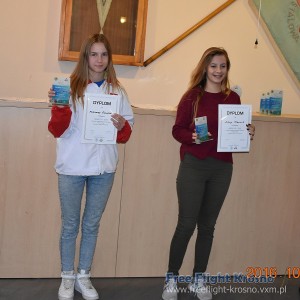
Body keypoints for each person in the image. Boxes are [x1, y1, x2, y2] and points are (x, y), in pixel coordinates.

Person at [162, 47, 255, 300]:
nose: (218, 71)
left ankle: (198, 278)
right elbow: (177, 130)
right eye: (213, 65)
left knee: (207, 227)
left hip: (222, 167)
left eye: (223, 66)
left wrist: (247, 132)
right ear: (205, 67)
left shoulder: (233, 99)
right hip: (194, 164)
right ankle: (171, 277)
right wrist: (190, 136)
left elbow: (237, 130)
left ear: (227, 69)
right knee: (186, 224)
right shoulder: (192, 96)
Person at [48, 33, 134, 300]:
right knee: (70, 224)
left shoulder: (117, 91)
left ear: (109, 58)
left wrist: (121, 125)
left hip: (103, 169)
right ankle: (66, 277)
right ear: (85, 57)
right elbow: (56, 130)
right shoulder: (68, 88)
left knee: (92, 224)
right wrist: (60, 107)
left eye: (104, 54)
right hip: (72, 167)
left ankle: (83, 275)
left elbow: (126, 134)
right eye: (93, 54)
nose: (99, 59)